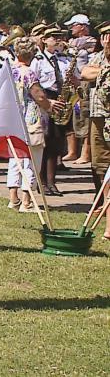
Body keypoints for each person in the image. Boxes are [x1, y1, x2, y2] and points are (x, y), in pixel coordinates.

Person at [6, 37, 64, 212]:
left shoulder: (8, 70)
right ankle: (26, 201)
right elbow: (39, 96)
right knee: (32, 159)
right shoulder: (28, 72)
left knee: (15, 158)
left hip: (13, 119)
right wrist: (50, 105)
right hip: (30, 119)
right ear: (31, 53)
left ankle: (13, 198)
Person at [31, 24, 76, 196]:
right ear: (44, 40)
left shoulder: (65, 59)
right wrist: (46, 101)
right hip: (45, 100)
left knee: (56, 144)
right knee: (45, 141)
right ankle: (42, 182)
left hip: (61, 100)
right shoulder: (38, 60)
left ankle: (52, 182)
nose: (58, 40)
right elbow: (33, 84)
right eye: (54, 38)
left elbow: (73, 80)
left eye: (60, 37)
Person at [83, 20, 110, 241]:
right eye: (104, 36)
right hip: (98, 117)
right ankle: (101, 203)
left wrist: (98, 72)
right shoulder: (98, 58)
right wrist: (103, 70)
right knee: (98, 165)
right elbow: (85, 73)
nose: (107, 40)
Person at [65, 14, 94, 164]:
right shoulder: (70, 42)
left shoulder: (91, 43)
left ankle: (86, 153)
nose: (71, 28)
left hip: (84, 83)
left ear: (82, 26)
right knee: (72, 117)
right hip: (71, 83)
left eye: (74, 25)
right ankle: (72, 151)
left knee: (84, 116)